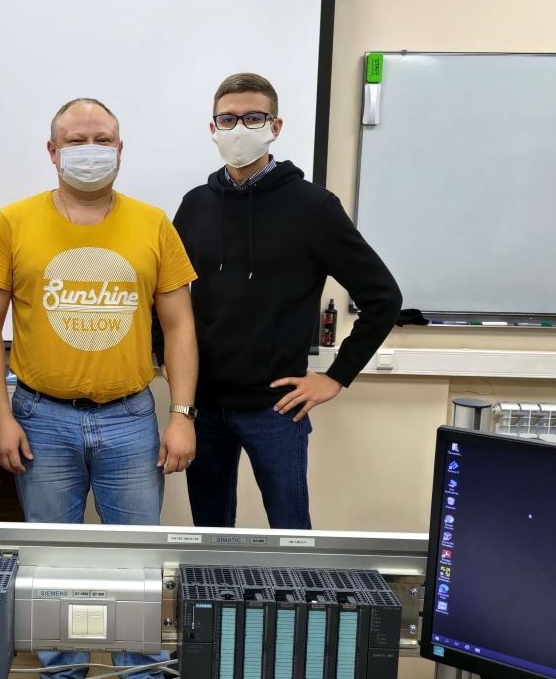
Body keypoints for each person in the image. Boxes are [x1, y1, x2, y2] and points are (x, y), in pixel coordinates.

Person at [0, 98, 198, 679]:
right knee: (52, 564)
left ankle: (142, 678)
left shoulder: (153, 223)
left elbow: (179, 326)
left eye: (102, 140)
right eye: (76, 140)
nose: (90, 151)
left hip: (130, 418)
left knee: (138, 562)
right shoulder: (13, 222)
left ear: (120, 150)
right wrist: (0, 414)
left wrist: (181, 413)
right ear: (52, 152)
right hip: (40, 417)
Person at [154, 72, 402, 530]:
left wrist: (336, 377)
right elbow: (162, 292)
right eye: (227, 119)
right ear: (213, 128)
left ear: (275, 126)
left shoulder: (313, 207)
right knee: (210, 534)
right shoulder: (195, 205)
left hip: (276, 409)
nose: (239, 129)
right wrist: (160, 355)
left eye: (253, 118)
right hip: (203, 407)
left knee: (290, 535)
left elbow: (383, 297)